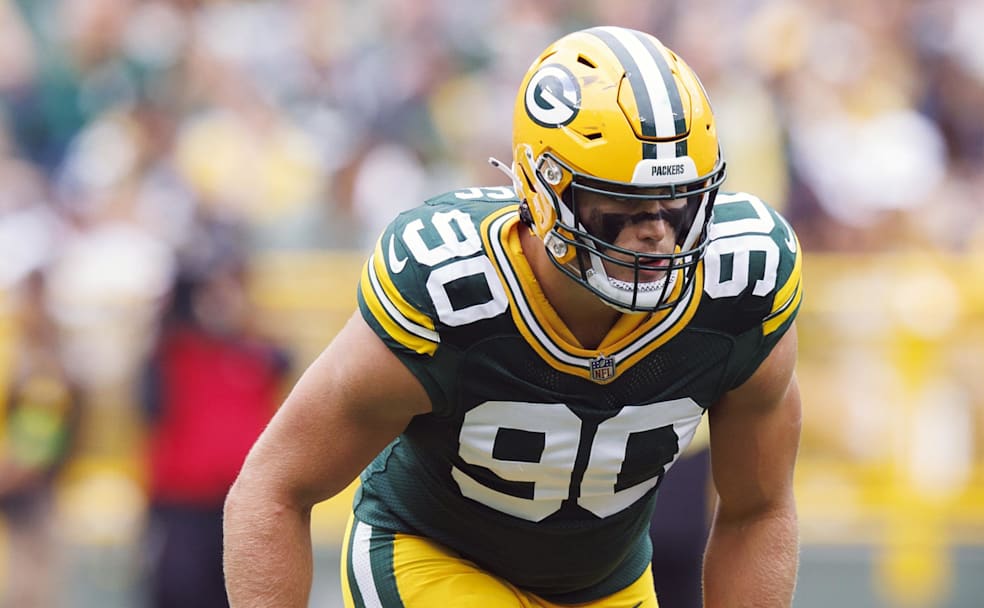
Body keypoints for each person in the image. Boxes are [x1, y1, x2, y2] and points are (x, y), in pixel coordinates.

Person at [224, 25, 803, 608]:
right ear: (543, 190)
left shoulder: (741, 285)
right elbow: (274, 488)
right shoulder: (454, 288)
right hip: (434, 556)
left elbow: (758, 509)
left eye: (678, 200)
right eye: (622, 203)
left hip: (608, 584)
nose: (655, 231)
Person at [140, 220, 290, 608]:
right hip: (182, 505)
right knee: (178, 592)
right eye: (210, 292)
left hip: (241, 504)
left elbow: (280, 360)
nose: (219, 301)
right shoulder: (173, 352)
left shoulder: (261, 354)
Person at [0, 268, 82, 608]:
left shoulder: (49, 357)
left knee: (34, 578)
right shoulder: (17, 352)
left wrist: (24, 465)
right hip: (15, 475)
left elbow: (47, 421)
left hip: (32, 479)